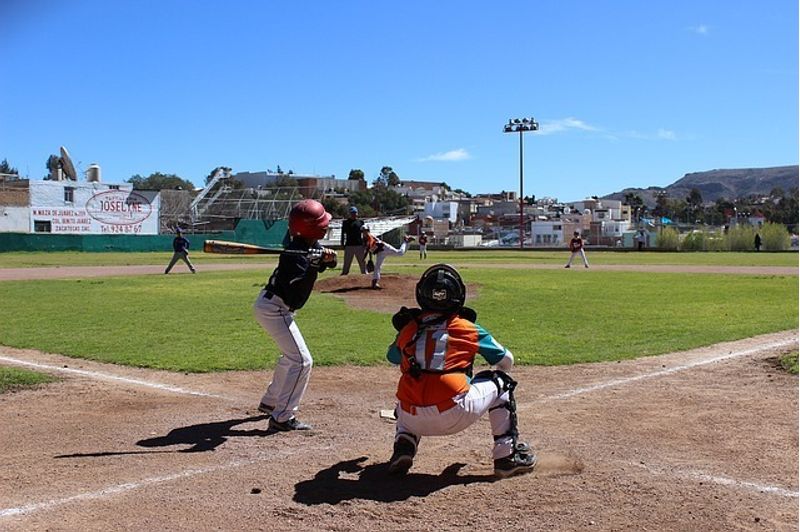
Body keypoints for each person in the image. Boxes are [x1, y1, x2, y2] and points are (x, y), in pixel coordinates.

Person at [385, 264, 537, 479]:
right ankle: (506, 456)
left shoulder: (409, 328)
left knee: (411, 383)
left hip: (410, 417)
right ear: (459, 296)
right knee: (501, 380)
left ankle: (404, 445)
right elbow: (506, 360)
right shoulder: (467, 328)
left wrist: (405, 332)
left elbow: (392, 358)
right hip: (454, 413)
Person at [253, 199, 337, 431]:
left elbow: (329, 261)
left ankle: (271, 402)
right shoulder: (292, 255)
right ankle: (282, 417)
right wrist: (311, 265)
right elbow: (295, 291)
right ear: (315, 228)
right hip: (275, 308)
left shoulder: (307, 246)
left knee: (291, 357)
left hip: (272, 306)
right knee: (302, 361)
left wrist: (326, 259)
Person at [340, 206, 367, 275]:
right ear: (350, 214)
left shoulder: (361, 222)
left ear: (357, 213)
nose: (353, 214)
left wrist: (365, 243)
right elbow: (343, 234)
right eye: (352, 213)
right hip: (349, 245)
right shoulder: (345, 223)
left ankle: (365, 276)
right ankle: (344, 276)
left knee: (362, 263)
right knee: (347, 263)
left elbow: (364, 234)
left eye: (355, 213)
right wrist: (342, 243)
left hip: (359, 245)